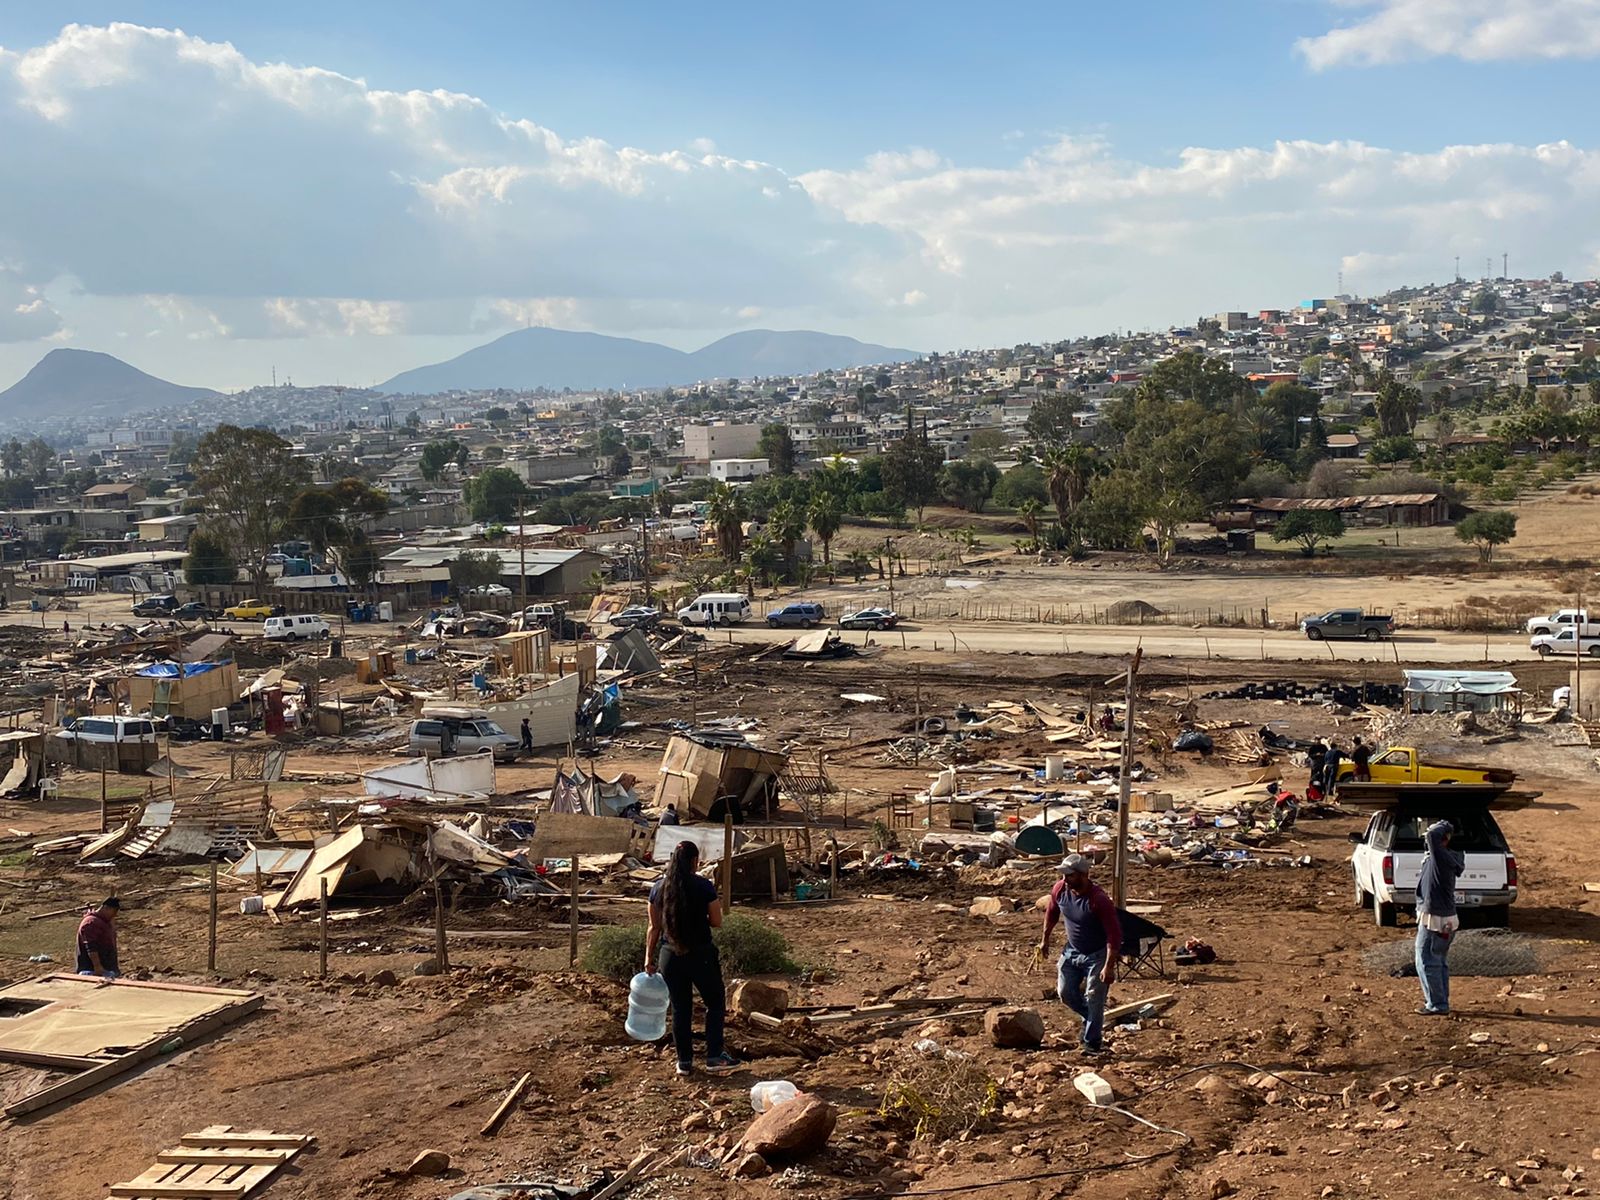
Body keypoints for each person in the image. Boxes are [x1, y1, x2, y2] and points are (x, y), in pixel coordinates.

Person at [646, 841, 736, 1076]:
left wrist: (648, 958)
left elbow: (653, 927)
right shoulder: (703, 886)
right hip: (700, 954)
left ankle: (684, 1062)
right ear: (695, 861)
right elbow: (716, 921)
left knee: (680, 1008)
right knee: (715, 1002)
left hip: (669, 956)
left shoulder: (658, 888)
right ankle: (714, 1055)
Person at [1038, 854, 1122, 1056]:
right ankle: (1091, 1018)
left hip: (1097, 954)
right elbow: (1051, 913)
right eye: (1064, 875)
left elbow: (1114, 935)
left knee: (1094, 997)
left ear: (1084, 875)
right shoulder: (1060, 890)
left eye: (1070, 876)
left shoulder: (1098, 900)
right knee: (1065, 992)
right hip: (1072, 951)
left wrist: (1109, 966)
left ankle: (1092, 1043)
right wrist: (1045, 940)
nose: (1065, 880)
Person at [1415, 819, 1464, 1015]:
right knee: (1439, 961)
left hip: (1435, 919)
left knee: (1427, 960)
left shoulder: (1440, 858)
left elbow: (1432, 836)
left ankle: (1437, 1004)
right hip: (1445, 918)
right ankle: (1440, 1001)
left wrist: (1443, 825)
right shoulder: (1447, 858)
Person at [76, 897, 121, 978]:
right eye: (113, 912)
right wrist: (98, 967)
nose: (114, 915)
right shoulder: (91, 923)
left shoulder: (104, 922)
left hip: (106, 969)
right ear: (106, 908)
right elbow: (91, 946)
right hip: (92, 970)